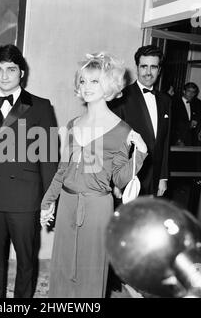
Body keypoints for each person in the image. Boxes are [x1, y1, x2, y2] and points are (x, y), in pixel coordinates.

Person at [40, 52, 148, 298]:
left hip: (98, 208)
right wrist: (47, 203)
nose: (86, 87)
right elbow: (62, 171)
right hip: (67, 203)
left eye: (95, 81)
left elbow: (119, 179)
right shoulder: (72, 125)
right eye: (83, 81)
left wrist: (139, 154)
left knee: (91, 272)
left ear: (109, 84)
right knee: (62, 268)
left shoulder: (121, 130)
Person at [0, 44, 58, 298]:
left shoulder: (40, 106)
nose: (4, 75)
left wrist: (47, 200)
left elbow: (49, 157)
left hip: (26, 198)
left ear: (21, 73)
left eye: (10, 69)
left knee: (26, 263)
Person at [112, 45, 171, 196]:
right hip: (129, 176)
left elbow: (164, 142)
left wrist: (163, 177)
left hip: (155, 177)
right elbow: (114, 142)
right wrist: (116, 182)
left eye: (153, 67)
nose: (148, 72)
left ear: (159, 70)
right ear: (137, 68)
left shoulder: (166, 100)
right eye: (144, 66)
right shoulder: (122, 97)